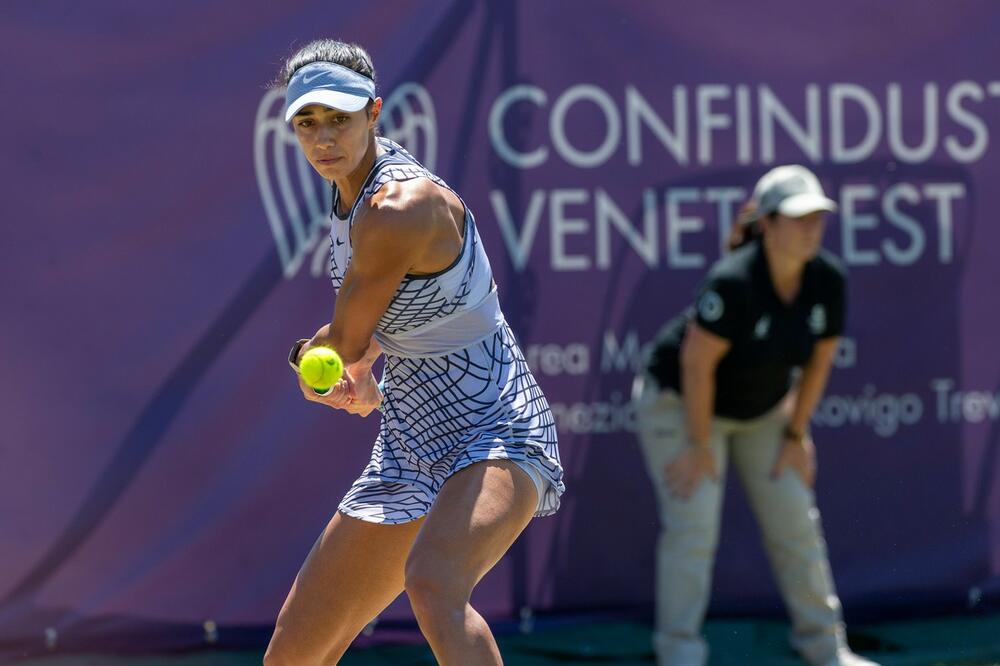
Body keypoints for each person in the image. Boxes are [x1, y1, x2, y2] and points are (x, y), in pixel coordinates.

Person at [263, 40, 564, 666]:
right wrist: (342, 374)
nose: (324, 138)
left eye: (339, 119)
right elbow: (375, 331)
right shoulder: (350, 197)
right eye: (307, 123)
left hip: (498, 431)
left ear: (375, 113)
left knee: (434, 585)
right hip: (409, 444)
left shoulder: (403, 206)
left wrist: (336, 363)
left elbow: (344, 341)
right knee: (293, 656)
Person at [634, 165, 878, 666]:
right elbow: (696, 365)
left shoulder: (828, 279)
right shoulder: (734, 281)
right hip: (682, 405)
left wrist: (795, 432)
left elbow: (819, 361)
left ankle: (826, 649)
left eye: (818, 217)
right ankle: (678, 653)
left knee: (796, 522)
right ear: (766, 224)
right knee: (694, 525)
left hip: (764, 412)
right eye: (798, 218)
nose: (812, 228)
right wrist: (700, 446)